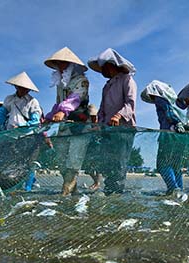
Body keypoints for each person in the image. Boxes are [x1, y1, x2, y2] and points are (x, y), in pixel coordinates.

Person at [88, 48, 137, 195]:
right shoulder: (107, 86)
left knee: (119, 163)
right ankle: (109, 192)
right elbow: (102, 108)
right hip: (108, 130)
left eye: (104, 66)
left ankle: (116, 194)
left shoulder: (127, 80)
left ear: (111, 65)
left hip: (123, 130)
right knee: (108, 163)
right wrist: (99, 124)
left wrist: (118, 116)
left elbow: (130, 103)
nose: (102, 70)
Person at [43, 47, 91, 195]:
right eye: (58, 64)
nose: (60, 67)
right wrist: (50, 116)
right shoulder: (61, 84)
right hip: (64, 127)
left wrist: (62, 112)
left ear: (71, 64)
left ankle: (64, 195)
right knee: (61, 160)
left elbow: (75, 98)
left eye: (63, 63)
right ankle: (73, 192)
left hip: (80, 127)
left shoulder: (82, 81)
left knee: (74, 162)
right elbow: (58, 103)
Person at [141, 80, 189, 194]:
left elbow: (168, 112)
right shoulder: (170, 102)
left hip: (169, 136)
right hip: (179, 136)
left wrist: (176, 122)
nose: (150, 96)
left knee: (162, 164)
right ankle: (179, 189)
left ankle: (173, 188)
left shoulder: (160, 100)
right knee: (176, 165)